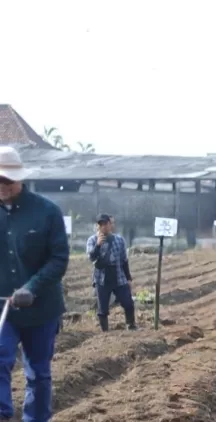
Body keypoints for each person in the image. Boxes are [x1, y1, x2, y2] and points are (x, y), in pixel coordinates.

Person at [0, 146, 69, 422]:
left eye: (7, 180)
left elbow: (59, 258)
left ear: (20, 178)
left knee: (38, 372)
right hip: (3, 307)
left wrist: (32, 287)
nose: (2, 186)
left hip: (40, 308)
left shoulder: (47, 212)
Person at [86, 213, 136, 332]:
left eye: (105, 224)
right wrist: (98, 245)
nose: (103, 226)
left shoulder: (119, 240)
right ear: (97, 226)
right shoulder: (92, 240)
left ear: (110, 225)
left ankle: (131, 325)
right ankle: (105, 332)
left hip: (118, 275)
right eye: (100, 224)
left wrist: (128, 278)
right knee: (102, 308)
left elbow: (124, 260)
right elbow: (91, 257)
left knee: (128, 302)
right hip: (101, 278)